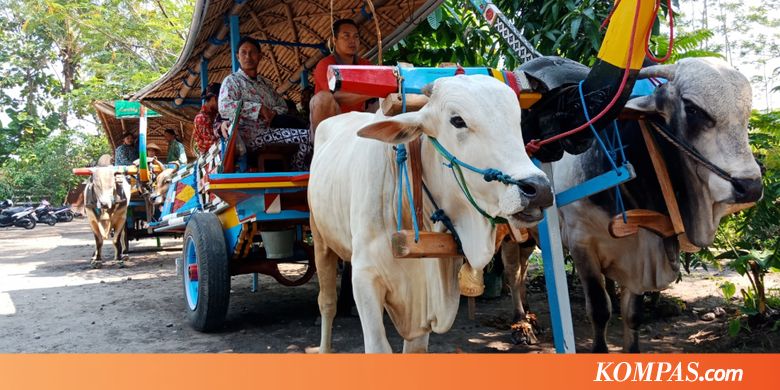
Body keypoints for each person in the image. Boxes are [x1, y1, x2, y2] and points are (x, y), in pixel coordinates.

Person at [218, 36, 312, 171]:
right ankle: (296, 171)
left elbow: (283, 106)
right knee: (309, 136)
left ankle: (296, 169)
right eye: (243, 53)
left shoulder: (265, 84)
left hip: (272, 132)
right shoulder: (232, 81)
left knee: (310, 135)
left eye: (252, 52)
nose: (248, 56)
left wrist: (273, 113)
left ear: (260, 56)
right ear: (237, 57)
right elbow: (224, 107)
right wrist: (258, 109)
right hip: (251, 137)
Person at [309, 19, 376, 133]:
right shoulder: (325, 64)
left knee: (390, 100)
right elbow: (338, 97)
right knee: (323, 98)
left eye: (356, 37)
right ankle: (321, 146)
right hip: (331, 122)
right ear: (335, 41)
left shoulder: (365, 65)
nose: (352, 41)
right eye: (346, 36)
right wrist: (374, 90)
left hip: (358, 119)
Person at [194, 82, 223, 154]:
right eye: (221, 99)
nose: (223, 103)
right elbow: (213, 144)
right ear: (213, 98)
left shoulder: (215, 116)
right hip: (212, 162)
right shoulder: (202, 118)